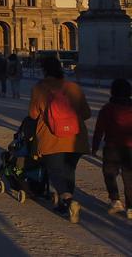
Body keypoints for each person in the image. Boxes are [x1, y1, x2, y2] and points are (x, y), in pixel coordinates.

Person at [28, 56, 91, 223]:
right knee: (69, 171)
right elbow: (86, 113)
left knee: (55, 172)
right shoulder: (73, 87)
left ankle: (69, 200)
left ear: (44, 70)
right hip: (76, 139)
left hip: (52, 138)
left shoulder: (40, 88)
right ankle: (65, 205)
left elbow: (33, 114)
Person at [91, 78, 132, 218]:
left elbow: (99, 129)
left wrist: (94, 147)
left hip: (112, 147)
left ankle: (115, 200)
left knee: (109, 173)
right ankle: (131, 207)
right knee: (129, 177)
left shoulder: (107, 109)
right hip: (130, 148)